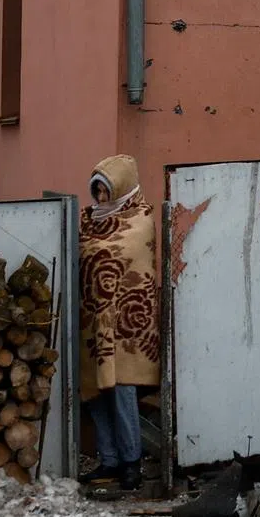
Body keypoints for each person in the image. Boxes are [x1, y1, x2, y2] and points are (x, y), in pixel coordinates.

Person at [77, 155, 160, 490]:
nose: (100, 199)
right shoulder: (89, 221)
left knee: (123, 391)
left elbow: (128, 258)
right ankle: (108, 460)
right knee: (94, 392)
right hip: (92, 322)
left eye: (106, 191)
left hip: (127, 326)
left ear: (121, 188)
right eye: (97, 191)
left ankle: (131, 462)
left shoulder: (140, 220)